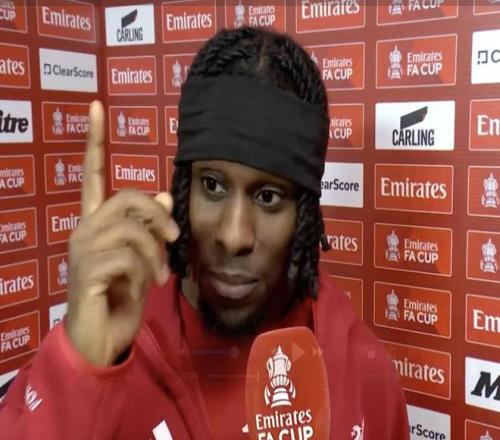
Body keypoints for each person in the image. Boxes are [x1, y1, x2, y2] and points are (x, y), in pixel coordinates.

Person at [0, 27, 409, 439]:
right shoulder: (106, 346)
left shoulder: (363, 374)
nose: (233, 236)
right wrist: (78, 374)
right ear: (184, 189)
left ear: (305, 214)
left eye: (268, 197)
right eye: (212, 185)